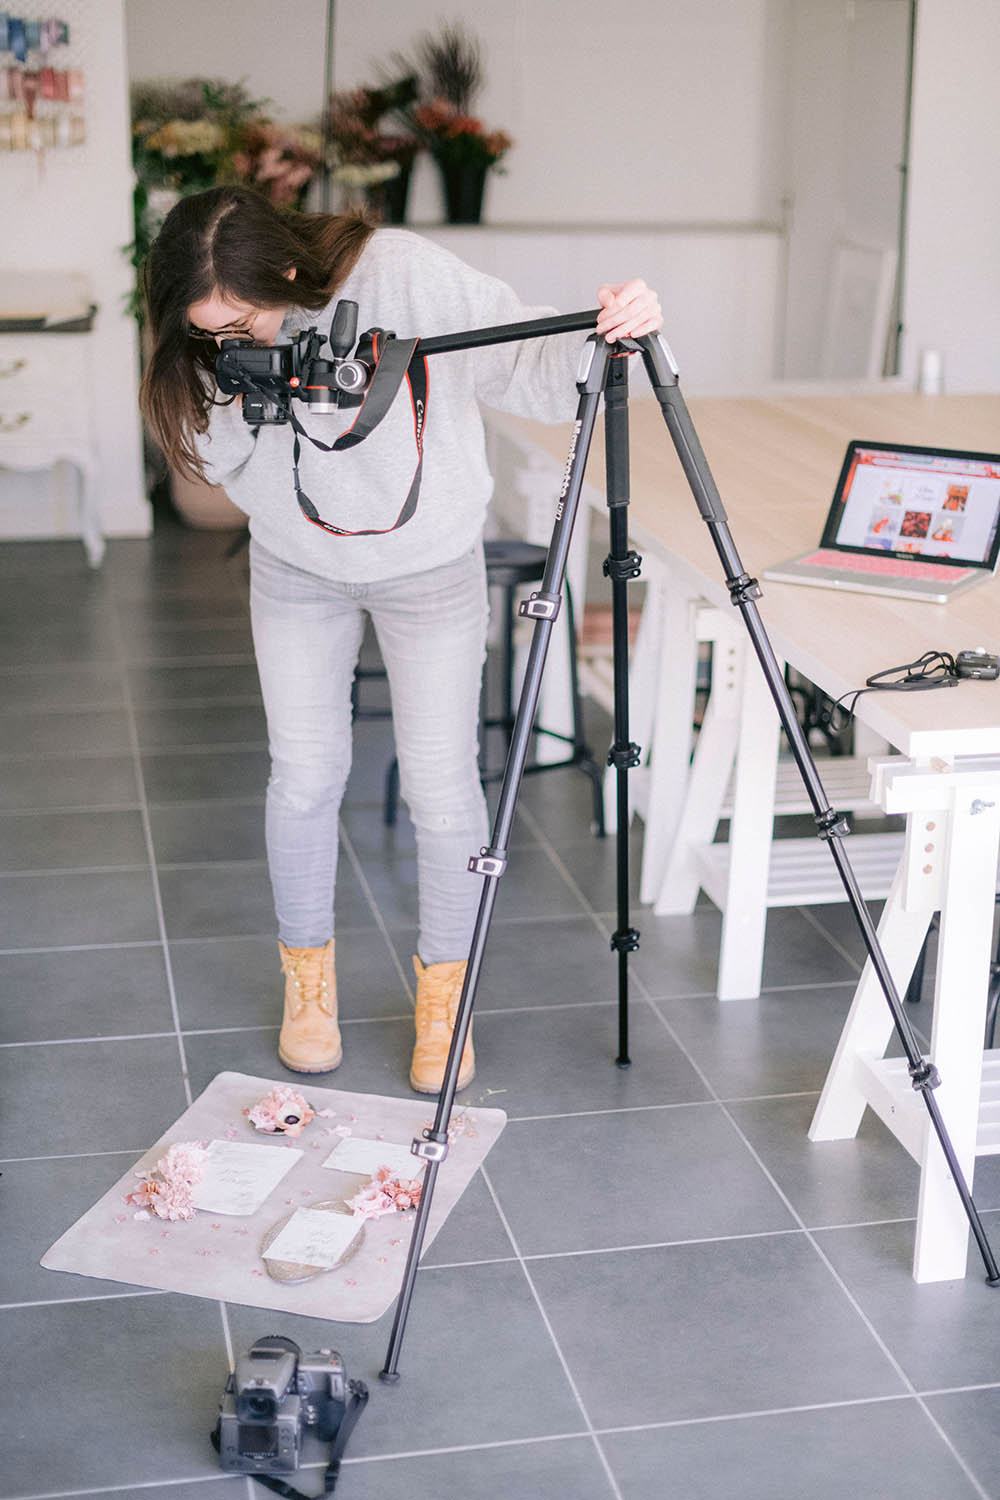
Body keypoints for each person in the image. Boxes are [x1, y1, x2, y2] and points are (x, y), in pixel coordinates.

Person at [140, 185, 662, 1094]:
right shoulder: (217, 354)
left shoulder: (405, 275)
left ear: (289, 273)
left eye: (248, 321)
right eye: (212, 334)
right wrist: (240, 386)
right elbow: (215, 465)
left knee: (442, 787)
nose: (236, 342)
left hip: (429, 567)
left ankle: (445, 1002)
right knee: (303, 777)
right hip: (295, 565)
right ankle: (308, 988)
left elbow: (527, 357)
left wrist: (619, 324)